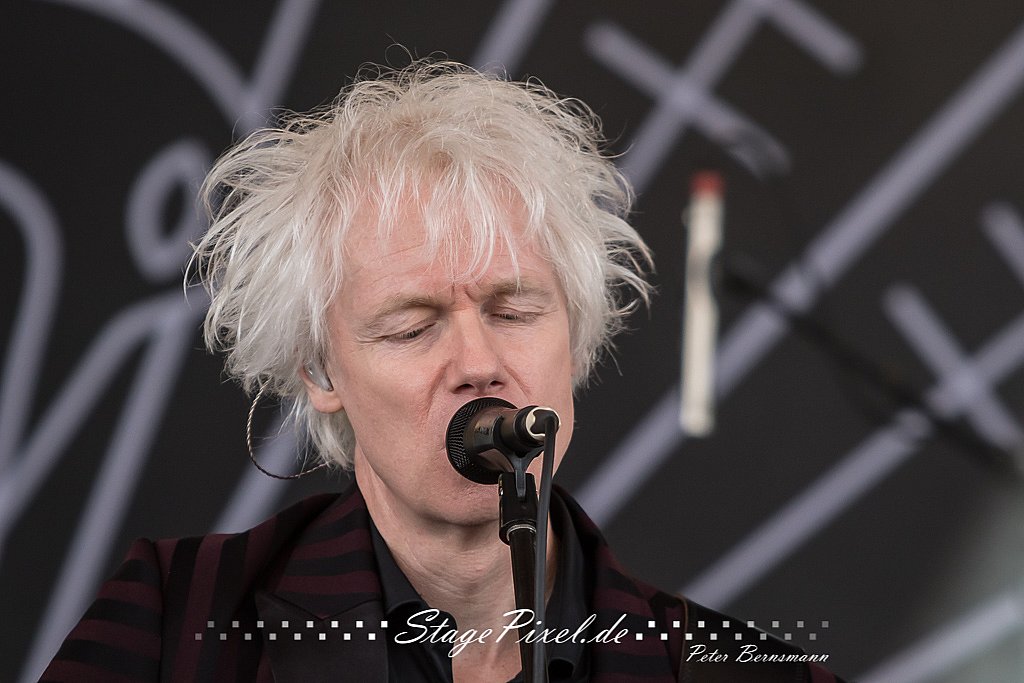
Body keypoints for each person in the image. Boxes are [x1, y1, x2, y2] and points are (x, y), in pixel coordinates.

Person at [42, 60, 844, 682]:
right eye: (412, 326)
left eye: (514, 311)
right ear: (321, 370)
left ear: (574, 335)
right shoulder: (173, 625)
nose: (477, 363)